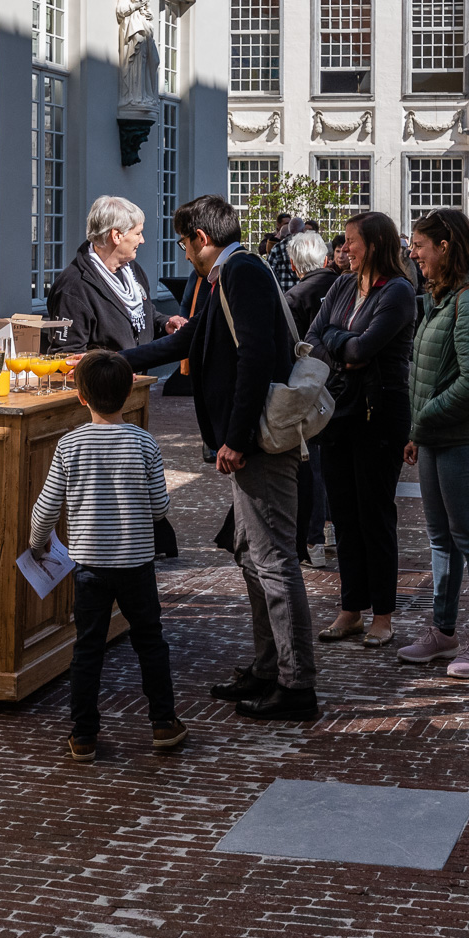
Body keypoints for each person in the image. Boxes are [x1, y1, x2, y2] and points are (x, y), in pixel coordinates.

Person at [124, 196, 318, 721]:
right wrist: (116, 362)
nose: (185, 255)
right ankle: (267, 667)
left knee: (274, 561)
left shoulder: (241, 272)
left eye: (186, 244)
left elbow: (258, 356)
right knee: (251, 555)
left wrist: (236, 438)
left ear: (201, 239)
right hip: (248, 439)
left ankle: (297, 684)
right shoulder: (227, 274)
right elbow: (193, 338)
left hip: (258, 442)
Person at [30, 351, 184, 762]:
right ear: (128, 392)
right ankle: (164, 723)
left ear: (81, 397)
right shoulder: (143, 442)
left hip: (89, 566)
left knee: (87, 648)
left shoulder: (70, 444)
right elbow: (159, 507)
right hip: (135, 563)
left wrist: (37, 542)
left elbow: (47, 506)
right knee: (150, 641)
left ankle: (83, 735)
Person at [398, 208, 469, 680]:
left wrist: (422, 421)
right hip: (436, 436)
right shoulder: (443, 295)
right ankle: (442, 632)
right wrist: (417, 431)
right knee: (443, 541)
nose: (414, 253)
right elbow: (430, 374)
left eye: (420, 245)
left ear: (445, 247)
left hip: (467, 439)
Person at [308, 213, 415, 649]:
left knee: (374, 514)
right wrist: (342, 343)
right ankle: (350, 609)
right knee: (344, 516)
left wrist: (342, 343)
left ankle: (383, 616)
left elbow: (364, 348)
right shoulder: (341, 285)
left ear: (373, 244)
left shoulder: (399, 292)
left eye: (352, 241)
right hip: (337, 411)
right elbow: (315, 338)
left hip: (378, 413)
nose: (345, 248)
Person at [283, 230, 340, 564]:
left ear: (293, 264)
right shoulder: (343, 287)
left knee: (315, 464)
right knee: (336, 460)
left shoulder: (292, 298)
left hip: (313, 388)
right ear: (325, 257)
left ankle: (315, 539)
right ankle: (334, 528)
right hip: (343, 382)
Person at [48, 196, 159, 353]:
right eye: (138, 233)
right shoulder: (74, 287)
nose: (142, 240)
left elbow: (143, 315)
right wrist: (115, 370)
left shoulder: (133, 271)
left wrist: (165, 323)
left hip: (136, 376)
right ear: (116, 236)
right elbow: (67, 354)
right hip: (105, 377)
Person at [267, 214, 302, 291]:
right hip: (303, 294)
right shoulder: (309, 248)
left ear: (290, 229)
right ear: (303, 230)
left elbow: (269, 274)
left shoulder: (277, 248)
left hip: (284, 295)